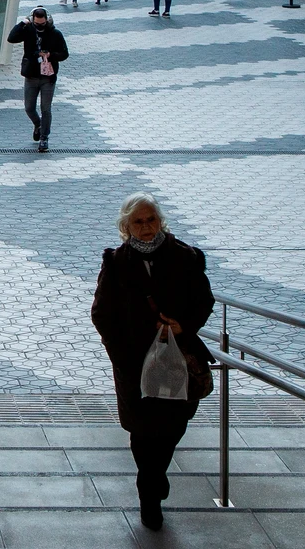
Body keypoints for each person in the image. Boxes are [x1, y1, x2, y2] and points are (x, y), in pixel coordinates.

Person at [91, 194, 212, 530]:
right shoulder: (116, 263)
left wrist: (183, 324)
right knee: (142, 431)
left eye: (151, 220)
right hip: (133, 363)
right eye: (138, 222)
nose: (146, 227)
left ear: (161, 221)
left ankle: (155, 475)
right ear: (126, 226)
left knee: (174, 424)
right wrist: (121, 354)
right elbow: (102, 314)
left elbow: (204, 299)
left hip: (177, 357)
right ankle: (150, 493)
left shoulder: (184, 257)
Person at [7, 6, 68, 154]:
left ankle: (44, 137)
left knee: (46, 109)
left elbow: (64, 54)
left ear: (47, 20)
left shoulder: (55, 34)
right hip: (31, 75)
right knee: (29, 107)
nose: (40, 26)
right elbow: (11, 38)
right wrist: (23, 23)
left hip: (48, 77)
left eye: (42, 23)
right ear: (32, 20)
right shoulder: (28, 30)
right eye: (37, 23)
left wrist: (50, 55)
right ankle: (38, 125)